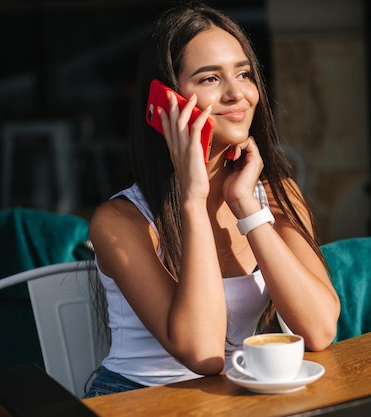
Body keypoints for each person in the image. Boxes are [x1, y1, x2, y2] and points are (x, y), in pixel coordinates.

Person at [85, 1, 340, 397]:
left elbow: (319, 329)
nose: (237, 93)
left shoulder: (274, 194)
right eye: (209, 79)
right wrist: (193, 199)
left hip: (232, 397)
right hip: (137, 399)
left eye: (244, 73)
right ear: (164, 102)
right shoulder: (120, 221)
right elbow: (203, 354)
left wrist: (246, 206)